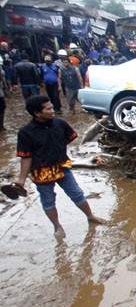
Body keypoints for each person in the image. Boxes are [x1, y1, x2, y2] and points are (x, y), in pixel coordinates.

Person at [14, 95, 106, 238]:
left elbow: (69, 138)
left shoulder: (60, 124)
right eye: (49, 109)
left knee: (76, 193)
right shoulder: (26, 133)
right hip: (41, 173)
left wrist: (54, 150)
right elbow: (26, 157)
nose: (53, 111)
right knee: (48, 200)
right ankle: (57, 226)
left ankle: (90, 216)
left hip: (62, 166)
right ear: (37, 113)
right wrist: (21, 179)